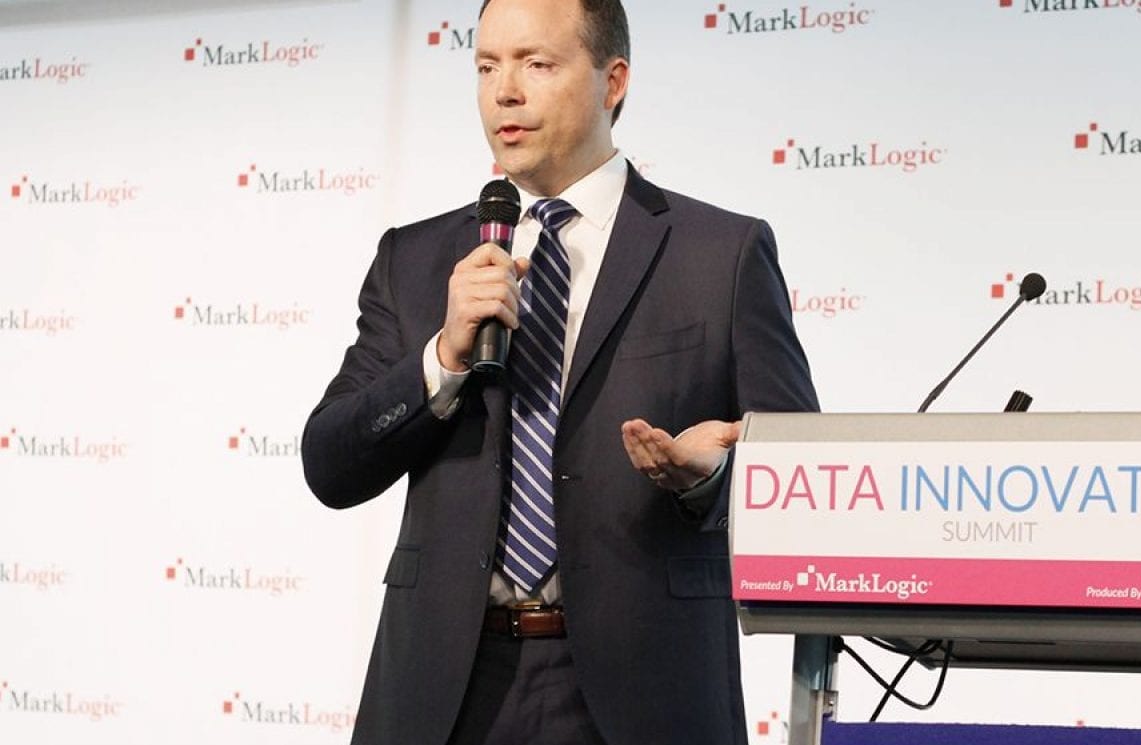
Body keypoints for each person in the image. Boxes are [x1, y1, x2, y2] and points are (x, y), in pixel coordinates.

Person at [300, 0, 819, 742]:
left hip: (645, 691)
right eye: (487, 67)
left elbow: (804, 481)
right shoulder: (413, 259)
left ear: (614, 81)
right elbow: (330, 465)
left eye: (536, 64)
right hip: (444, 689)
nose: (504, 92)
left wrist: (709, 479)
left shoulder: (720, 255)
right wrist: (442, 360)